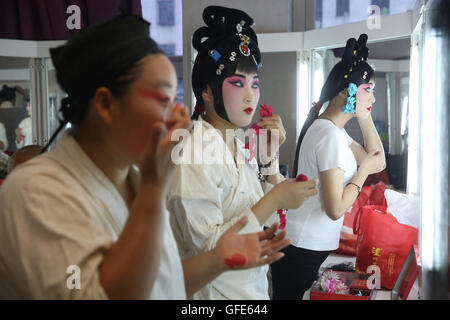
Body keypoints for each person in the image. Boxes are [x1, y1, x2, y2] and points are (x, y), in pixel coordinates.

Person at [0, 15, 290, 300]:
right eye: (163, 100)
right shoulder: (37, 190)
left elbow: (164, 283)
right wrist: (153, 188)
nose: (178, 115)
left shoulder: (134, 179)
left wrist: (217, 259)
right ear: (105, 104)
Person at [166, 6, 318, 300]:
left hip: (251, 289)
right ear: (207, 92)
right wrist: (275, 197)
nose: (250, 94)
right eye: (237, 83)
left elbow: (267, 224)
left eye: (255, 83)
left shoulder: (236, 143)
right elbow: (208, 251)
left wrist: (270, 160)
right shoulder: (194, 151)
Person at [271, 34, 386, 300]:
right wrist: (362, 173)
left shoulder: (333, 130)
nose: (373, 98)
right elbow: (335, 209)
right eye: (368, 90)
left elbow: (377, 160)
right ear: (347, 92)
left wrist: (364, 115)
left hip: (305, 245)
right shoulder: (329, 135)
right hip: (302, 247)